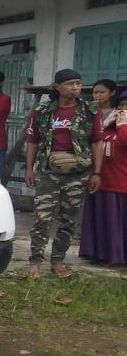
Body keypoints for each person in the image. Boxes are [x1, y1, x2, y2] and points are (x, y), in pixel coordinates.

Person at [24, 68, 104, 278]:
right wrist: (29, 168)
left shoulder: (90, 110)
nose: (76, 87)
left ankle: (58, 260)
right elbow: (32, 140)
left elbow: (97, 142)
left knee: (68, 220)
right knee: (42, 217)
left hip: (78, 174)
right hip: (47, 172)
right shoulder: (42, 110)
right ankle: (35, 261)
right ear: (57, 87)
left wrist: (96, 172)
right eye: (70, 84)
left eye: (78, 83)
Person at [79, 90, 127, 265]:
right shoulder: (109, 126)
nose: (123, 110)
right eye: (121, 106)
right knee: (99, 221)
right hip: (100, 181)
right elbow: (88, 141)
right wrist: (105, 124)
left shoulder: (123, 128)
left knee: (115, 223)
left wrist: (123, 125)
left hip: (120, 184)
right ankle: (97, 253)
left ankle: (116, 257)